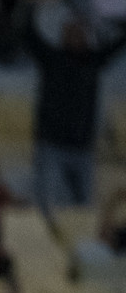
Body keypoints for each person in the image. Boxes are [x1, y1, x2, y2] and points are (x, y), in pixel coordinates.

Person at [26, 12, 126, 213]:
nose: (74, 37)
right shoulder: (51, 57)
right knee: (46, 204)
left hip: (82, 147)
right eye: (69, 33)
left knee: (86, 208)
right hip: (52, 144)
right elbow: (28, 34)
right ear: (62, 36)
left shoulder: (94, 60)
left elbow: (119, 42)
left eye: (79, 33)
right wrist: (32, 5)